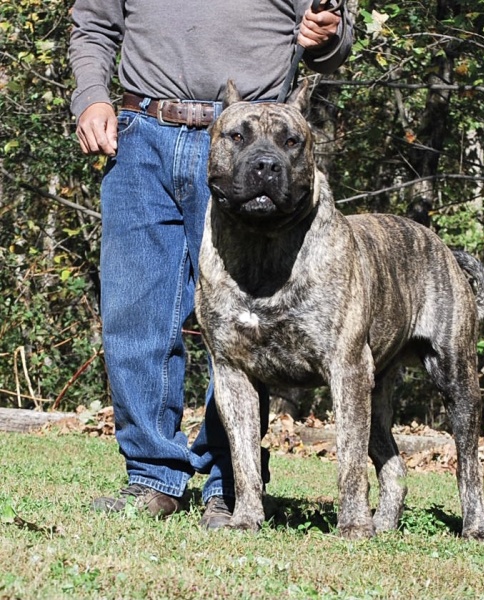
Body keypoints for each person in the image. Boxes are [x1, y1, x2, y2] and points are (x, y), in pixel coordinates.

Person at [68, 0, 352, 529]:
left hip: (252, 147)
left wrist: (325, 37)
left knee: (245, 326)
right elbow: (93, 23)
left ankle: (230, 485)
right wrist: (90, 97)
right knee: (134, 316)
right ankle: (152, 477)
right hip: (139, 131)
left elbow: (333, 38)